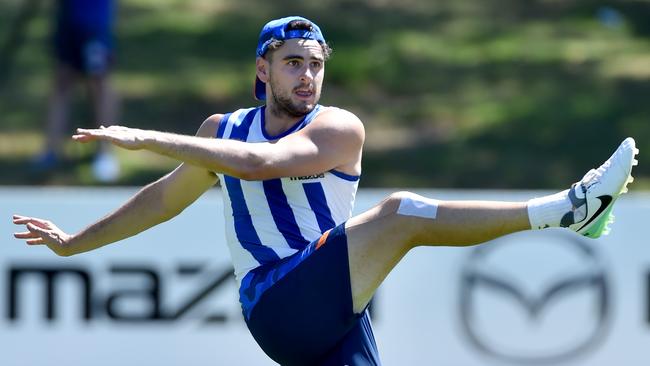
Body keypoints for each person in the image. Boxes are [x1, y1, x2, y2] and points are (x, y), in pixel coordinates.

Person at [13, 16, 639, 366]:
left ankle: (574, 212)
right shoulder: (221, 131)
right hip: (278, 305)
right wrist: (73, 244)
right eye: (293, 63)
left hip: (336, 313)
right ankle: (571, 211)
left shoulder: (338, 128)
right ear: (263, 69)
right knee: (400, 214)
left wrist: (148, 136)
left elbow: (264, 164)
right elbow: (162, 200)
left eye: (315, 64)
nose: (308, 75)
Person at [32, 0, 120, 182]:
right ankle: (51, 150)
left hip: (95, 22)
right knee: (62, 82)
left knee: (99, 84)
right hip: (68, 19)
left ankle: (105, 154)